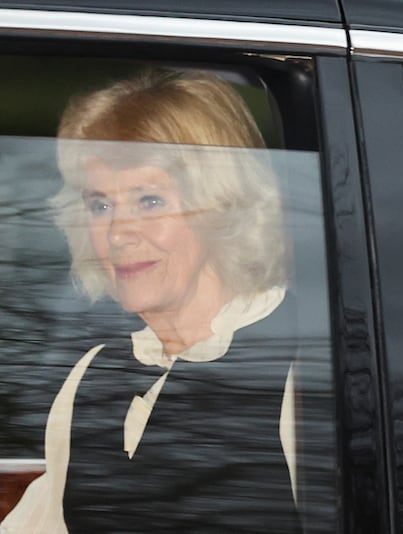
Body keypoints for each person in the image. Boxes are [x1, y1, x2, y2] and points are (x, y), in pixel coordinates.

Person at [1, 69, 300, 533]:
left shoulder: (302, 375)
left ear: (220, 205)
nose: (118, 233)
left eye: (149, 201)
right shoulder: (91, 375)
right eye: (100, 206)